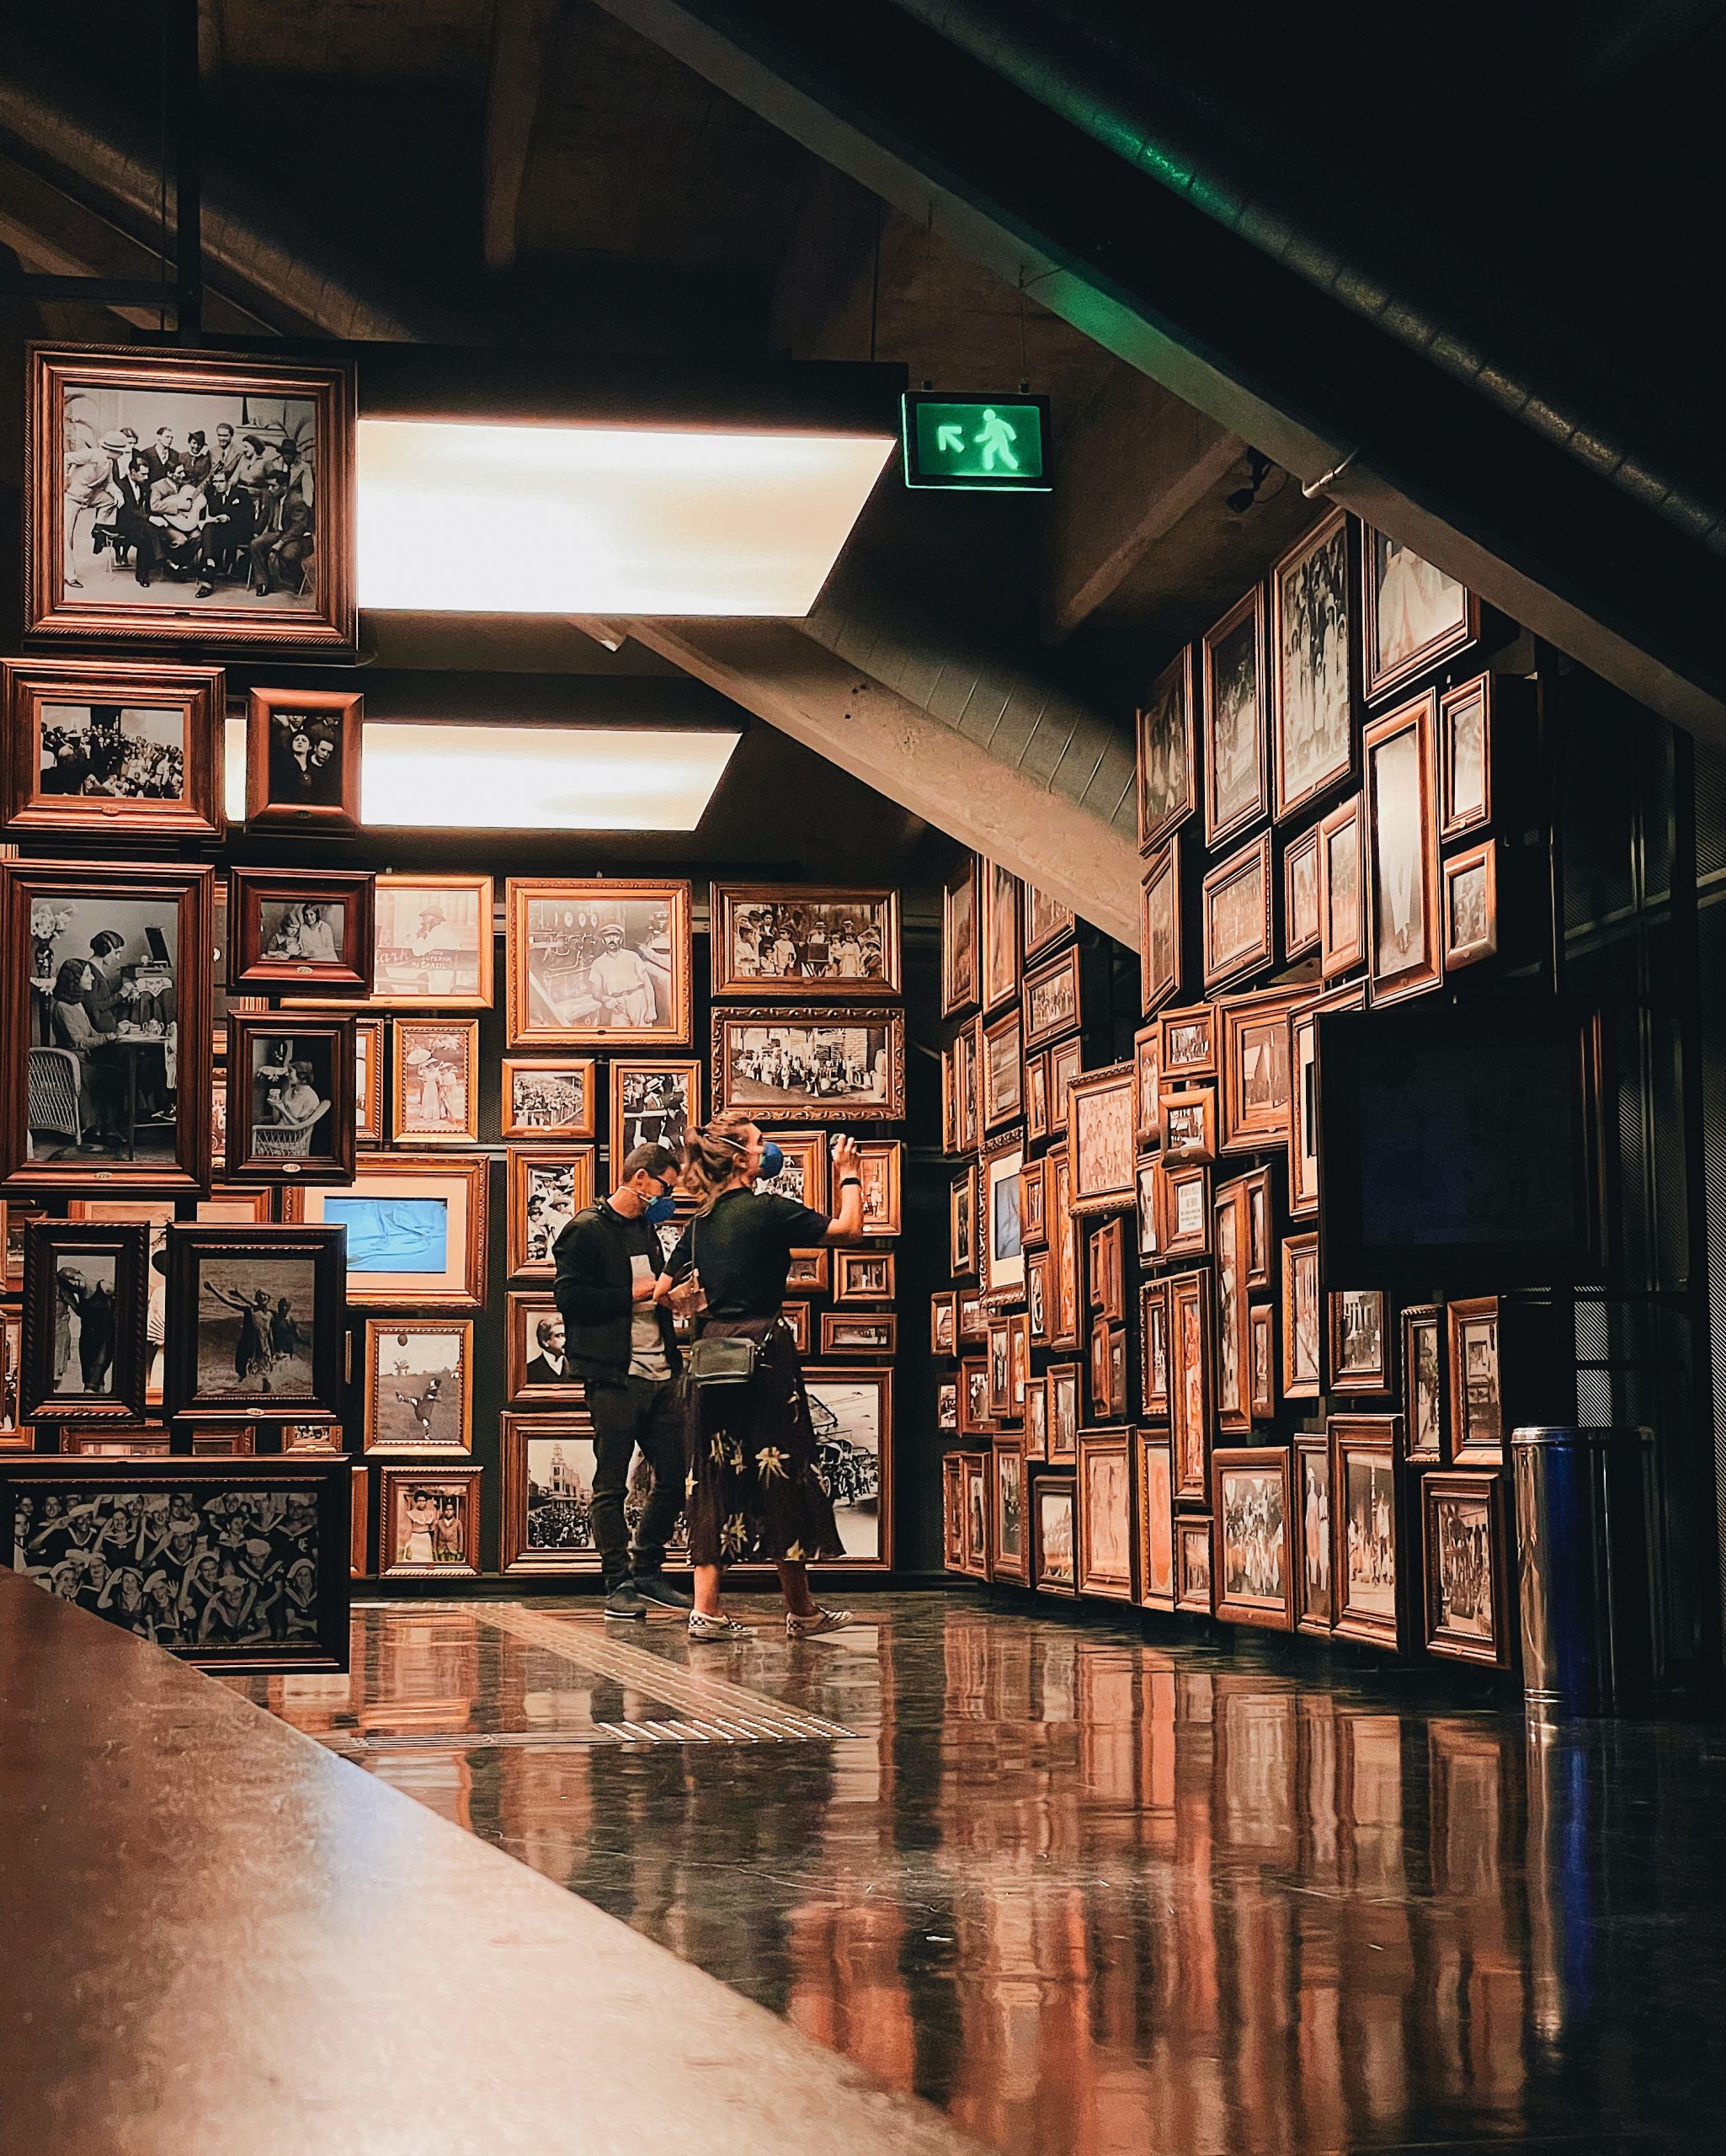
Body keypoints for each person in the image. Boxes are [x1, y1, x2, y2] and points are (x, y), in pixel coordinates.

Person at [657, 1112, 866, 1641]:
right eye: (759, 1143)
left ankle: (706, 1611)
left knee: (711, 1476)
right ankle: (801, 1611)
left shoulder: (699, 1224)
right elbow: (848, 1230)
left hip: (710, 1359)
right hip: (764, 1355)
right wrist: (848, 1172)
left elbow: (664, 1290)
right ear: (741, 1157)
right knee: (783, 1472)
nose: (767, 1150)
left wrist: (698, 1300)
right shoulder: (768, 1210)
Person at [550, 1143, 691, 1619]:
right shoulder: (584, 1230)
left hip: (661, 1371)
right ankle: (617, 1583)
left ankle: (648, 1569)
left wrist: (672, 1300)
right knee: (611, 1483)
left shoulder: (646, 1229)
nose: (670, 1194)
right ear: (642, 1179)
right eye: (666, 1185)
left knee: (672, 1476)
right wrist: (633, 1295)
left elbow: (654, 1292)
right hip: (614, 1376)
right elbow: (570, 1300)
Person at [523, 1313, 571, 1389]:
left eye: (565, 1336)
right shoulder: (529, 1371)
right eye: (559, 1336)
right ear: (545, 1341)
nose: (565, 1340)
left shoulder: (576, 1368)